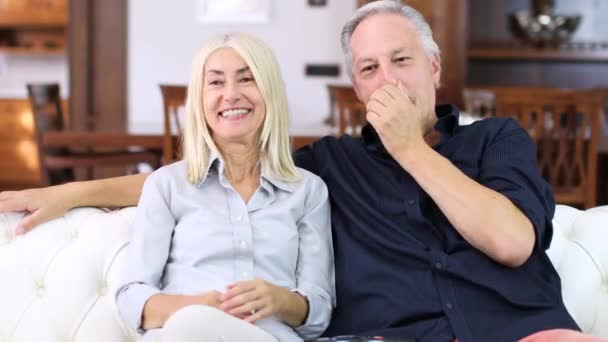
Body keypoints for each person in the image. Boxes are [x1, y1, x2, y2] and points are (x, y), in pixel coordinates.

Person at [0, 1, 599, 341]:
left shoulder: (497, 139)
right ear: (355, 83)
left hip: (518, 332)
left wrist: (410, 150)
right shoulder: (329, 167)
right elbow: (209, 172)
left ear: (434, 66)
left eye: (400, 60)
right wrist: (72, 191)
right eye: (368, 68)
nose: (385, 79)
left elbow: (514, 241)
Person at [116, 33, 334, 342]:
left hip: (266, 336)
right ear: (200, 99)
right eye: (216, 83)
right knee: (193, 326)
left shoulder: (308, 192)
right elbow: (131, 298)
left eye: (247, 79)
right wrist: (197, 308)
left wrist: (280, 300)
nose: (231, 95)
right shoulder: (166, 186)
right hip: (183, 333)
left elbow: (320, 310)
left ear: (269, 91)